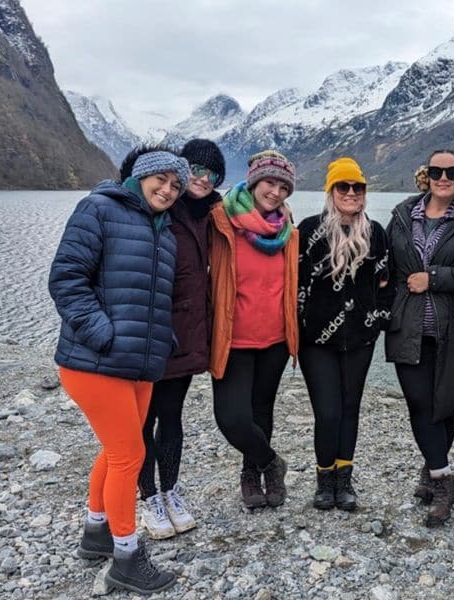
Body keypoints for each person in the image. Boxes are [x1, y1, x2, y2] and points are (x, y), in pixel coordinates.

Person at [48, 146, 189, 594]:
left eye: (176, 185)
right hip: (95, 361)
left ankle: (97, 533)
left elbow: (151, 299)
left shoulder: (165, 233)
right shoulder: (99, 209)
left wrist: (162, 339)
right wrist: (100, 333)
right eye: (161, 180)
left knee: (115, 452)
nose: (168, 190)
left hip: (139, 364)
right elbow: (66, 278)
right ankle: (127, 556)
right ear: (141, 177)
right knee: (131, 455)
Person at [385, 149, 454, 527]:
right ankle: (444, 479)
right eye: (436, 171)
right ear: (425, 175)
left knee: (444, 405)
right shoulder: (402, 214)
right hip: (408, 326)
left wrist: (433, 279)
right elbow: (386, 264)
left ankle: (433, 471)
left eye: (451, 171)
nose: (443, 177)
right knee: (419, 401)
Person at [135, 139, 225, 538]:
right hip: (147, 332)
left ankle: (170, 491)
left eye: (212, 173)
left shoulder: (212, 215)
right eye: (196, 169)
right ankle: (148, 495)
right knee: (142, 419)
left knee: (171, 416)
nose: (202, 179)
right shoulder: (156, 209)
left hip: (187, 335)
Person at [298, 157, 390, 511]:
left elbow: (385, 284)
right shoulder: (309, 231)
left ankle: (344, 481)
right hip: (317, 340)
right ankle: (324, 480)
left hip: (361, 338)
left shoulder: (376, 233)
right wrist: (299, 325)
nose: (351, 193)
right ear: (331, 192)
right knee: (328, 411)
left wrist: (378, 321)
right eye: (343, 187)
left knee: (351, 407)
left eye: (358, 187)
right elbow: (296, 283)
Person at [209, 150, 299, 509]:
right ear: (253, 182)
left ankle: (253, 474)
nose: (275, 192)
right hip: (233, 338)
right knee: (232, 418)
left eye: (283, 187)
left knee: (262, 410)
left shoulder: (289, 233)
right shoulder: (220, 222)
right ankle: (270, 462)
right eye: (269, 183)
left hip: (275, 339)